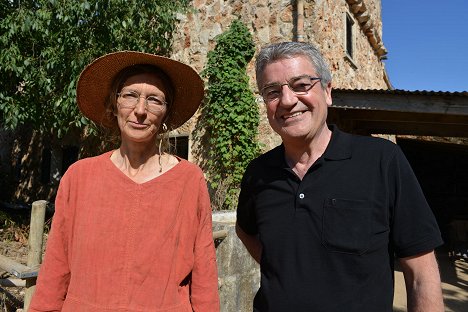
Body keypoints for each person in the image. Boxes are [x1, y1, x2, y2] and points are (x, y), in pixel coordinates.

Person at [236, 42, 444, 312]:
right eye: (272, 92)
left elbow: (421, 276)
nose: (287, 100)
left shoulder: (382, 161)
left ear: (327, 92)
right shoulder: (259, 173)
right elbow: (245, 230)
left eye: (301, 85)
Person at [29, 51, 220, 311]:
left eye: (154, 100)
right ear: (114, 103)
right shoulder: (79, 177)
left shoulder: (189, 180)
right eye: (130, 95)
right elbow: (55, 266)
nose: (140, 110)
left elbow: (204, 275)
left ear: (166, 113)